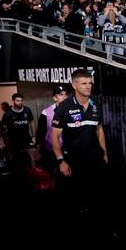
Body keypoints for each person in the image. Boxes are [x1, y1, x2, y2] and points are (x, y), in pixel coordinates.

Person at [51, 69, 109, 228]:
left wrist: (105, 154)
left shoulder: (95, 105)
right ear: (74, 85)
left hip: (95, 159)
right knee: (76, 201)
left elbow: (99, 130)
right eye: (84, 83)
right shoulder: (63, 107)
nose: (88, 86)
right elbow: (54, 136)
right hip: (74, 161)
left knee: (98, 197)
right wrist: (61, 160)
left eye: (90, 83)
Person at [35, 86, 68, 173]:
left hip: (68, 150)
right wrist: (38, 150)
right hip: (51, 151)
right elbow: (40, 133)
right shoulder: (46, 113)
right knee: (53, 175)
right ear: (55, 98)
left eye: (65, 94)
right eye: (61, 95)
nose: (64, 97)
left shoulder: (72, 111)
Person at [2, 93, 36, 175]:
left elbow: (31, 122)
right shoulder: (7, 114)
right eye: (17, 101)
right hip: (14, 141)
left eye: (21, 100)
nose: (20, 102)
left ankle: (32, 175)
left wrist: (34, 136)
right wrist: (5, 142)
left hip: (26, 139)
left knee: (31, 158)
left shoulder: (27, 110)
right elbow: (4, 127)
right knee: (16, 161)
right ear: (13, 101)